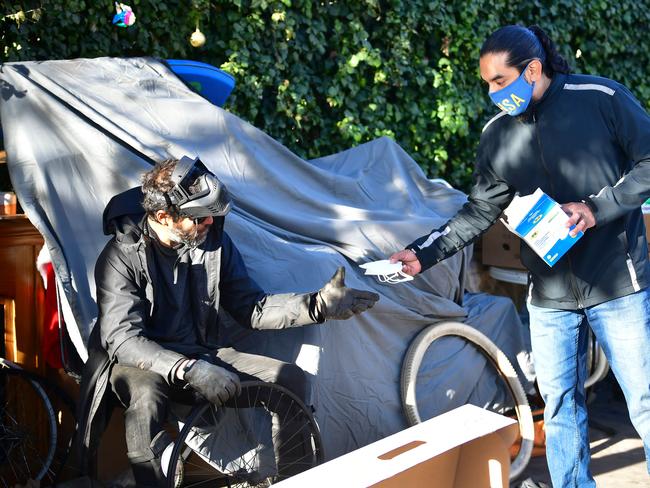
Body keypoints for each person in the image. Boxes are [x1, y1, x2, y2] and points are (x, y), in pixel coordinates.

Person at [390, 24, 650, 487]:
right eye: (487, 84)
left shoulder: (601, 97)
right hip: (549, 297)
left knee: (645, 402)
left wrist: (596, 208)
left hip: (618, 284)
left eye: (500, 82)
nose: (493, 94)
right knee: (561, 407)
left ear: (533, 69)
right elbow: (478, 211)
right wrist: (421, 255)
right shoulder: (496, 135)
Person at [76, 156, 379, 487]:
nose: (210, 222)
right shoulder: (120, 256)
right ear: (164, 216)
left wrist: (318, 305)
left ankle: (295, 480)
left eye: (212, 215)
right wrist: (189, 370)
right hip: (139, 361)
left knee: (288, 379)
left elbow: (251, 307)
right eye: (200, 217)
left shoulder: (213, 240)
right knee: (146, 403)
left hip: (199, 351)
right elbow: (123, 339)